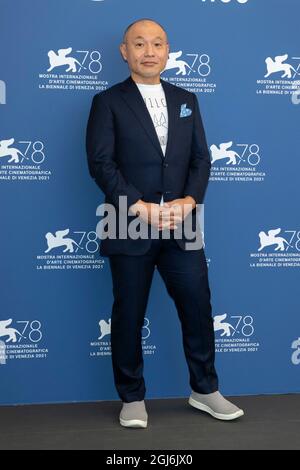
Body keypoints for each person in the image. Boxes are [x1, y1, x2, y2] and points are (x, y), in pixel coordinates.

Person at [86, 18, 244, 428]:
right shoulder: (108, 102)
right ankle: (132, 397)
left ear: (168, 51)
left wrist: (190, 201)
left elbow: (200, 159)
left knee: (198, 307)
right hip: (127, 220)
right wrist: (138, 206)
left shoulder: (186, 98)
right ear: (125, 52)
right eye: (139, 44)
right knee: (129, 312)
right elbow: (101, 163)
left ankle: (205, 389)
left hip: (182, 221)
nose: (149, 51)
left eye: (157, 43)